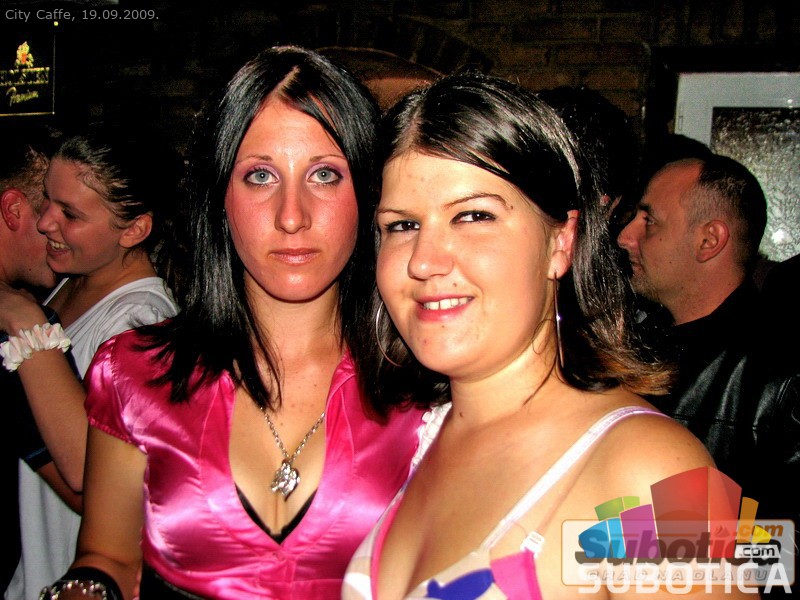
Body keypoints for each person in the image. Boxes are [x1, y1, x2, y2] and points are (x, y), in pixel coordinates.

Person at [39, 46, 425, 600]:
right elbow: (108, 555)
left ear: (367, 193)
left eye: (324, 175)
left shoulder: (426, 389)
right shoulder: (133, 373)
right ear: (220, 196)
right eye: (260, 176)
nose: (291, 216)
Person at [342, 72, 742, 599]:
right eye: (402, 225)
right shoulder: (412, 436)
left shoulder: (660, 473)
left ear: (561, 241)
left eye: (473, 215)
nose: (423, 261)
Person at [0, 123, 180, 599]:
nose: (45, 222)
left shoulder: (141, 324)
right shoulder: (68, 283)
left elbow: (93, 474)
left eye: (70, 213)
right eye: (47, 201)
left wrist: (21, 318)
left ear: (135, 229)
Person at [0, 123, 80, 596]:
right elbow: (88, 489)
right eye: (51, 207)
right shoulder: (19, 329)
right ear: (14, 210)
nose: (55, 227)